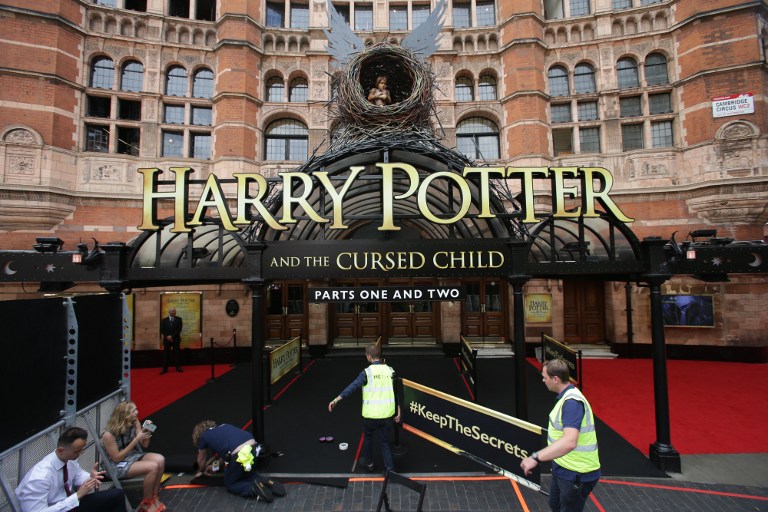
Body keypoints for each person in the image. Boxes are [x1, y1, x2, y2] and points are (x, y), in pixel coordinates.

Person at [520, 358, 600, 512]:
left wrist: (535, 457)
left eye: (545, 377)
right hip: (563, 467)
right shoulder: (567, 397)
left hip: (576, 473)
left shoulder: (571, 403)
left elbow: (570, 441)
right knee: (555, 504)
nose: (543, 380)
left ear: (555, 379)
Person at [15, 427, 126, 512]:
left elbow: (79, 477)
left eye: (82, 449)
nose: (81, 453)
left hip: (69, 504)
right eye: (77, 451)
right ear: (60, 450)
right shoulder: (39, 478)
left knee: (117, 495)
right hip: (62, 507)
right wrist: (76, 496)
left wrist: (91, 478)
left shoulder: (69, 460)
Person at [328, 343, 401, 473]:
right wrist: (399, 411)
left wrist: (336, 400)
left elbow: (352, 387)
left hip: (371, 416)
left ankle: (369, 464)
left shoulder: (367, 373)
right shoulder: (390, 370)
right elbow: (397, 391)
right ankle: (391, 470)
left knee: (368, 438)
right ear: (380, 356)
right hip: (387, 415)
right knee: (385, 443)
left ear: (368, 357)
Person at [191, 421, 285, 502]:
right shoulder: (224, 427)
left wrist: (202, 471)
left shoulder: (203, 436)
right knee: (247, 475)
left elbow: (201, 458)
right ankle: (265, 482)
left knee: (230, 483)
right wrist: (213, 467)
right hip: (252, 447)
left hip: (238, 453)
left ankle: (252, 489)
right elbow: (224, 457)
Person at [101, 402, 166, 512]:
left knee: (160, 459)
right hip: (114, 465)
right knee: (153, 467)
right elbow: (116, 458)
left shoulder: (134, 421)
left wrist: (147, 431)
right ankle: (147, 503)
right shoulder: (108, 435)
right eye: (133, 411)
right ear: (125, 415)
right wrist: (136, 439)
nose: (137, 412)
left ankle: (154, 497)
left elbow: (145, 444)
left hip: (130, 456)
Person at [159, 307, 183, 374]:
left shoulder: (179, 319)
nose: (174, 312)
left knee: (177, 354)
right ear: (169, 312)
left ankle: (178, 367)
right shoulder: (164, 320)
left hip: (176, 339)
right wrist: (167, 336)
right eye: (172, 311)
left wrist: (172, 336)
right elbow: (162, 330)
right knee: (166, 354)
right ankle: (164, 369)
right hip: (167, 340)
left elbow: (179, 329)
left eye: (175, 311)